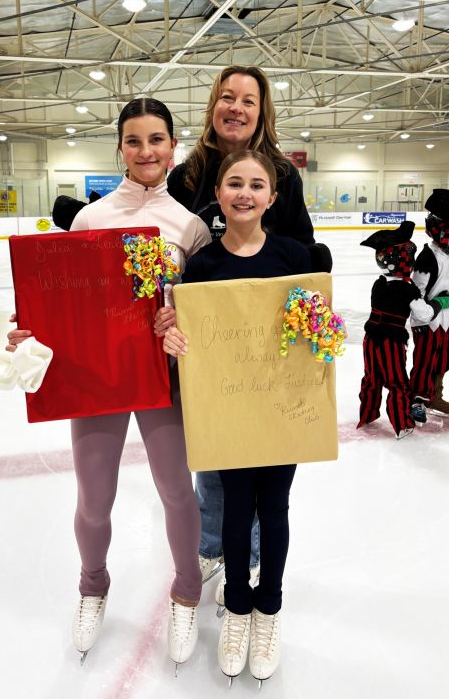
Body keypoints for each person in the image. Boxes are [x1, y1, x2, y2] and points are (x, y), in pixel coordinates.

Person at [7, 98, 212, 669]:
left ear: (173, 146)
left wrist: (180, 320)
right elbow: (64, 303)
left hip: (162, 380)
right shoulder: (90, 220)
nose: (146, 151)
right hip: (96, 379)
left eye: (156, 139)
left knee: (177, 490)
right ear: (120, 147)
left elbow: (203, 309)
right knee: (95, 498)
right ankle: (92, 585)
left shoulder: (190, 227)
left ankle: (187, 592)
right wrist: (29, 330)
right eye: (134, 140)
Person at [166, 64, 331, 602]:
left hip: (265, 344)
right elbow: (171, 249)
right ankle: (214, 545)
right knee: (216, 453)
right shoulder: (185, 175)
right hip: (211, 341)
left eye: (249, 100)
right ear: (214, 104)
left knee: (264, 447)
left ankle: (253, 554)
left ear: (262, 113)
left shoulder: (281, 171)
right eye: (227, 96)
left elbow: (301, 250)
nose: (236, 107)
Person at [164, 150, 311, 684]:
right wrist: (175, 338)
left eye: (256, 185)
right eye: (234, 184)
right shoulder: (203, 265)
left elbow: (315, 330)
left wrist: (322, 328)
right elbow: (192, 335)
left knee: (273, 508)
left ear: (272, 197)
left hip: (279, 409)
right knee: (232, 508)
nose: (244, 193)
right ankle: (238, 608)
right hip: (227, 408)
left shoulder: (294, 256)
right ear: (218, 195)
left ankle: (267, 610)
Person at [357, 221, 449, 439]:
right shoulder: (407, 289)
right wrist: (439, 302)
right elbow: (424, 314)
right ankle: (402, 425)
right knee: (397, 383)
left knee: (371, 378)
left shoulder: (378, 283)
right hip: (391, 343)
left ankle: (367, 414)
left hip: (370, 339)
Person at [409, 189, 449, 422]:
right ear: (438, 231)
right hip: (428, 323)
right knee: (424, 361)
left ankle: (435, 396)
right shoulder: (428, 257)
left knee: (443, 360)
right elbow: (415, 293)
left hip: (446, 323)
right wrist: (425, 316)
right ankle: (417, 399)